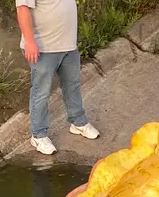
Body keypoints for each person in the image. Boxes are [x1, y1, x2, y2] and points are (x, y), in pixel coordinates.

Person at [16, 0, 100, 155]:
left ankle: (78, 122)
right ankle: (38, 135)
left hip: (68, 45)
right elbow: (22, 9)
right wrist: (29, 41)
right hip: (43, 48)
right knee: (41, 92)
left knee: (72, 85)